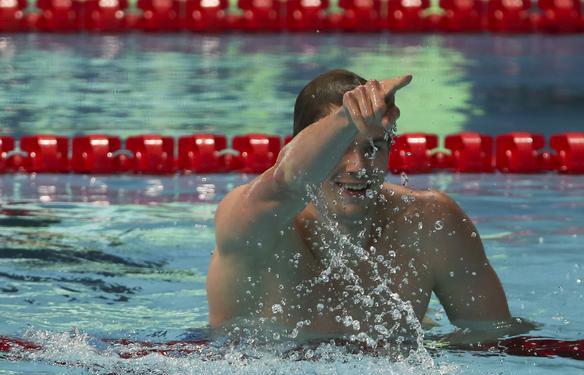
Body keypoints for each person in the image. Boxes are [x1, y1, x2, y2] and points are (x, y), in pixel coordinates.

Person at [207, 69, 532, 345]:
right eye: (340, 148)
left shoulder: (431, 223)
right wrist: (347, 118)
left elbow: (493, 339)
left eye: (373, 146)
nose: (358, 165)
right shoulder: (253, 224)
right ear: (300, 147)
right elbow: (286, 181)